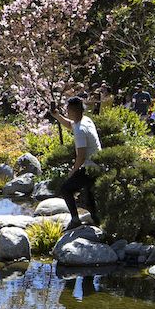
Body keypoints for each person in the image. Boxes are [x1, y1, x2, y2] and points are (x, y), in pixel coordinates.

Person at [55, 97, 101, 229]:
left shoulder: (81, 130)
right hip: (97, 164)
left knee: (66, 189)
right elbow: (70, 125)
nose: (66, 111)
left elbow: (81, 156)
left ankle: (75, 219)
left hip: (90, 167)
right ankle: (96, 220)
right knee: (88, 192)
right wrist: (57, 116)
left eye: (67, 109)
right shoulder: (85, 120)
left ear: (72, 110)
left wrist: (73, 171)